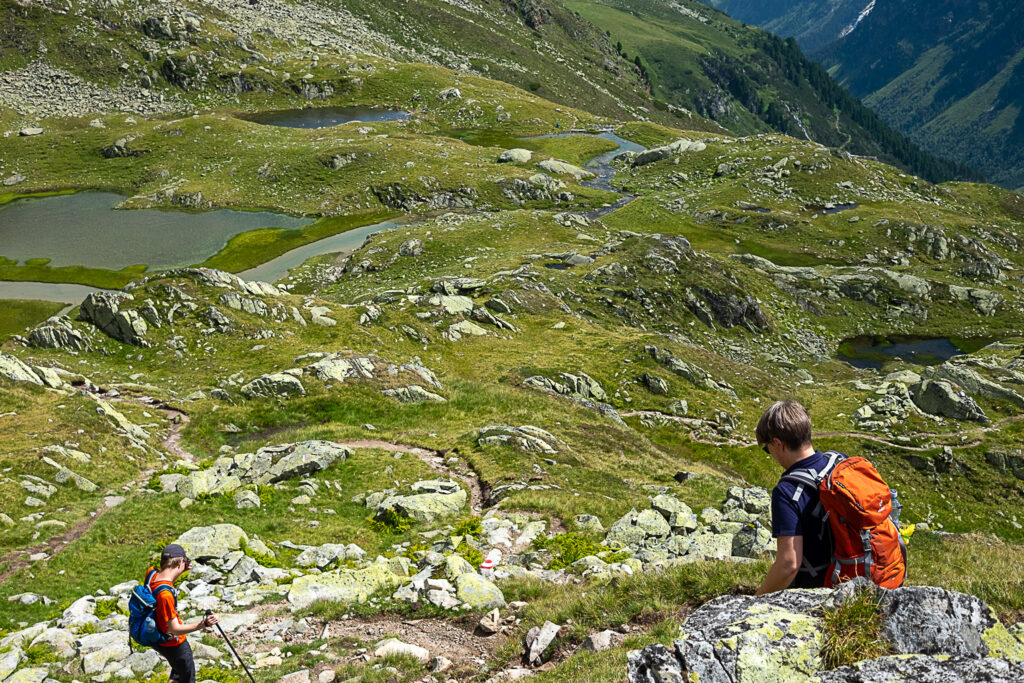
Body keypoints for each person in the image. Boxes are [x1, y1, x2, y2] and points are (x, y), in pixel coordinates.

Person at [754, 399, 832, 595]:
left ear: (777, 444)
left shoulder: (787, 491)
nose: (769, 454)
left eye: (767, 448)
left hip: (820, 589)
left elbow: (789, 564)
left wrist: (756, 599)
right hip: (862, 572)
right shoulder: (838, 462)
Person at [147, 544, 219, 683]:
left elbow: (168, 575)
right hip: (173, 643)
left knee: (177, 671)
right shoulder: (166, 595)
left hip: (157, 636)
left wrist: (181, 568)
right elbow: (175, 629)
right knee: (187, 677)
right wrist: (203, 624)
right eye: (184, 562)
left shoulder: (152, 574)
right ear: (180, 563)